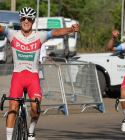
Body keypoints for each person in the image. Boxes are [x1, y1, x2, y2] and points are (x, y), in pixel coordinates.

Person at [1, 7, 79, 140]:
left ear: (33, 21)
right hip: (18, 77)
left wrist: (70, 29)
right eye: (24, 19)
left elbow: (55, 32)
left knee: (35, 107)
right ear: (20, 20)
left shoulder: (39, 35)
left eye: (29, 19)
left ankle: (31, 130)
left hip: (33, 77)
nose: (26, 21)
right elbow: (1, 29)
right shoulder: (12, 34)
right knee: (13, 107)